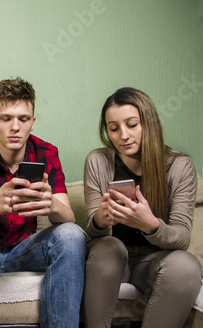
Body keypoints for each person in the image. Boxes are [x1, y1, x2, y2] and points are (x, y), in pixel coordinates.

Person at [0, 77, 87, 328]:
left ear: (32, 123)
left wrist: (52, 205)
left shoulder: (47, 153)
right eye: (6, 118)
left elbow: (68, 218)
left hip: (25, 251)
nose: (15, 127)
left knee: (71, 234)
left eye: (23, 119)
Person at [83, 87, 202, 327]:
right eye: (114, 128)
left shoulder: (179, 166)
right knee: (107, 247)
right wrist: (100, 220)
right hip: (115, 260)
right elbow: (93, 236)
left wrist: (151, 225)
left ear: (149, 123)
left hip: (154, 262)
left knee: (186, 266)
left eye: (132, 125)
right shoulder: (97, 161)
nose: (123, 135)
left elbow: (181, 239)